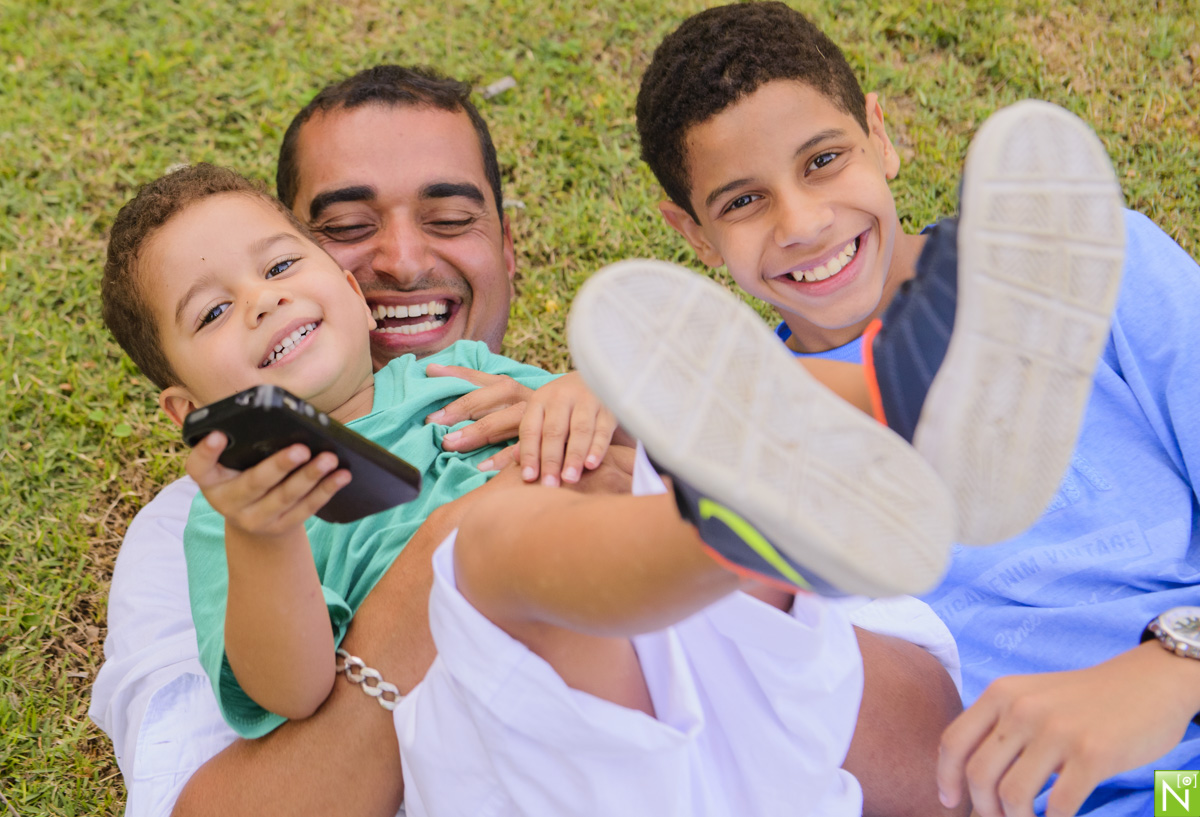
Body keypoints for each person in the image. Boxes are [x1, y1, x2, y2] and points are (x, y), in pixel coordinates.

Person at [89, 66, 964, 817]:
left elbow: (931, 743)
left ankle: (885, 389)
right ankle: (721, 525)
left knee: (684, 430)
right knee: (496, 545)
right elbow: (284, 692)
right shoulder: (222, 520)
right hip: (516, 745)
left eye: (280, 266)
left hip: (729, 726)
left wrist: (611, 410)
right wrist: (285, 538)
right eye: (349, 228)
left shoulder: (478, 377)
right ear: (183, 406)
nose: (399, 260)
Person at [634, 4, 1200, 816]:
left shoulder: (1090, 261)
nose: (803, 223)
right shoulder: (749, 445)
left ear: (880, 135)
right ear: (692, 233)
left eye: (824, 160)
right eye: (743, 202)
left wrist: (1173, 665)